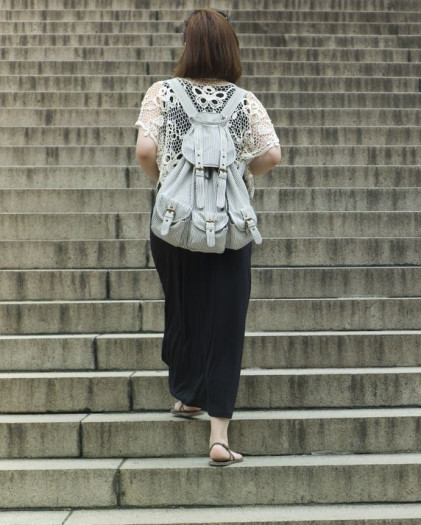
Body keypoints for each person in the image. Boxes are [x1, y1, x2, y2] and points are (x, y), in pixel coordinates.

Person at [134, 8, 281, 466]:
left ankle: (187, 392)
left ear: (188, 47)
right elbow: (271, 155)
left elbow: (144, 149)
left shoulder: (163, 93)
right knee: (226, 319)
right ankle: (219, 435)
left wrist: (166, 182)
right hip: (230, 224)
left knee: (183, 306)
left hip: (175, 221)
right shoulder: (245, 101)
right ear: (229, 49)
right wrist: (237, 170)